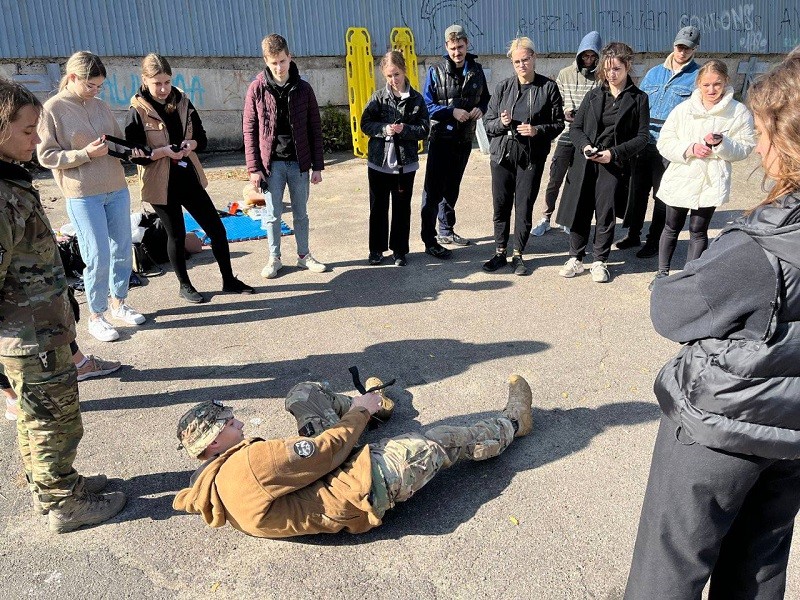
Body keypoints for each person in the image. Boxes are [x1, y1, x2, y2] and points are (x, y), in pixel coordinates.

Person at [624, 54, 800, 599]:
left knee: (669, 571)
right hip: (791, 433)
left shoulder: (758, 252)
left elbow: (670, 310)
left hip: (719, 431)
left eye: (766, 131)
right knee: (759, 569)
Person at [173, 374, 533, 537]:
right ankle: (514, 423)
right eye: (227, 424)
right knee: (442, 440)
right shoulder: (251, 464)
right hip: (361, 485)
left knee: (303, 394)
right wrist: (357, 411)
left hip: (319, 477)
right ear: (213, 445)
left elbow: (305, 464)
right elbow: (328, 451)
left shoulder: (215, 482)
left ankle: (377, 407)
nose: (237, 421)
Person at [0, 79, 126, 533]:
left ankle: (56, 487)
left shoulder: (8, 177)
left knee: (39, 419)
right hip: (30, 336)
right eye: (27, 131)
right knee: (55, 423)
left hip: (39, 328)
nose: (36, 140)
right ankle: (64, 505)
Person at [125, 53, 254, 304]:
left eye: (167, 82)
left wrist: (190, 144)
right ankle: (185, 286)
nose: (163, 89)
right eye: (157, 83)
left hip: (187, 177)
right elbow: (135, 156)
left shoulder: (183, 101)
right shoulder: (136, 111)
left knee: (216, 229)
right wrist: (161, 152)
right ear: (144, 80)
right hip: (161, 184)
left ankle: (229, 280)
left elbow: (203, 139)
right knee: (176, 235)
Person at [37, 51, 145, 342]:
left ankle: (119, 302)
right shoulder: (52, 109)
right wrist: (84, 154)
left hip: (116, 187)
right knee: (96, 255)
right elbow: (46, 156)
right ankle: (96, 315)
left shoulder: (100, 106)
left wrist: (130, 151)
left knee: (123, 248)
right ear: (72, 78)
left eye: (99, 86)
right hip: (83, 194)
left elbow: (114, 142)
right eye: (90, 85)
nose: (96, 91)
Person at [651, 60, 755, 286]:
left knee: (699, 230)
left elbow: (745, 147)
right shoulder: (683, 109)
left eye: (717, 84)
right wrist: (688, 149)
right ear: (698, 83)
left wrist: (721, 144)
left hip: (710, 179)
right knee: (671, 226)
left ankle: (691, 277)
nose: (711, 90)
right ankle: (662, 273)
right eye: (706, 84)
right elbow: (665, 141)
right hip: (682, 175)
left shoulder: (738, 112)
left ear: (726, 82)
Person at [555, 42, 649, 283]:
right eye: (607, 69)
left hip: (614, 164)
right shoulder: (594, 94)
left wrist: (613, 154)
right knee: (580, 208)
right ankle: (575, 258)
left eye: (616, 68)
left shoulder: (639, 99)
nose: (611, 74)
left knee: (605, 213)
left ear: (627, 66)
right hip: (586, 161)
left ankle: (599, 261)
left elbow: (642, 138)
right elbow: (575, 128)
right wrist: (585, 146)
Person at [243, 33, 327, 279]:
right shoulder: (257, 88)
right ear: (266, 62)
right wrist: (253, 168)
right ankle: (274, 258)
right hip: (272, 165)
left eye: (282, 61)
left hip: (299, 163)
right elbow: (249, 129)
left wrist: (318, 166)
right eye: (273, 63)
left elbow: (315, 127)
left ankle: (304, 256)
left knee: (301, 214)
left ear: (289, 57)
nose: (279, 68)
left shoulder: (303, 88)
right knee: (272, 215)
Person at [615, 26, 702, 258]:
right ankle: (633, 233)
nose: (682, 52)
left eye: (688, 48)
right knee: (638, 191)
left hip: (670, 147)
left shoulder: (698, 77)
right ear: (674, 45)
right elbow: (638, 104)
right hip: (645, 141)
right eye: (680, 46)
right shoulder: (654, 73)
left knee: (662, 195)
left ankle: (654, 240)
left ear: (695, 50)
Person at [482, 37, 564, 276]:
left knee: (524, 205)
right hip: (502, 155)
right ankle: (499, 251)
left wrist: (537, 130)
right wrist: (502, 122)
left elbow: (558, 123)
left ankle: (518, 254)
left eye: (525, 60)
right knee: (501, 205)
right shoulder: (503, 88)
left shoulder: (547, 87)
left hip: (531, 157)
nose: (521, 65)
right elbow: (488, 124)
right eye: (517, 61)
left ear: (534, 58)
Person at [419, 23, 490, 258]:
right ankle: (429, 238)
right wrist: (452, 111)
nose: (457, 52)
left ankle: (446, 230)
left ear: (467, 44)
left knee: (453, 187)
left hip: (464, 138)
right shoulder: (435, 70)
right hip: (441, 139)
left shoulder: (477, 70)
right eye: (452, 48)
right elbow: (427, 106)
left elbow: (485, 98)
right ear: (446, 47)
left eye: (460, 47)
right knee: (433, 189)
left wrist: (480, 108)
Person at [360, 51, 430, 266]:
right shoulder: (378, 97)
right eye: (389, 76)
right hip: (378, 164)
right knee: (378, 207)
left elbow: (424, 129)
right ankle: (376, 250)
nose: (393, 80)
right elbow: (365, 124)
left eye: (396, 74)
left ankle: (400, 250)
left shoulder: (417, 99)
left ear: (405, 70)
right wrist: (384, 129)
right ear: (383, 75)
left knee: (402, 208)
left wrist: (405, 130)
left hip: (405, 164)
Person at [533, 30, 602, 237]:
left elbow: (598, 105)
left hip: (587, 138)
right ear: (579, 54)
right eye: (585, 55)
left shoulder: (600, 78)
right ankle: (545, 217)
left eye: (593, 56)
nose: (588, 60)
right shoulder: (565, 74)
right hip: (565, 135)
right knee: (555, 178)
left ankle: (569, 218)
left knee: (577, 181)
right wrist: (566, 110)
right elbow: (560, 99)